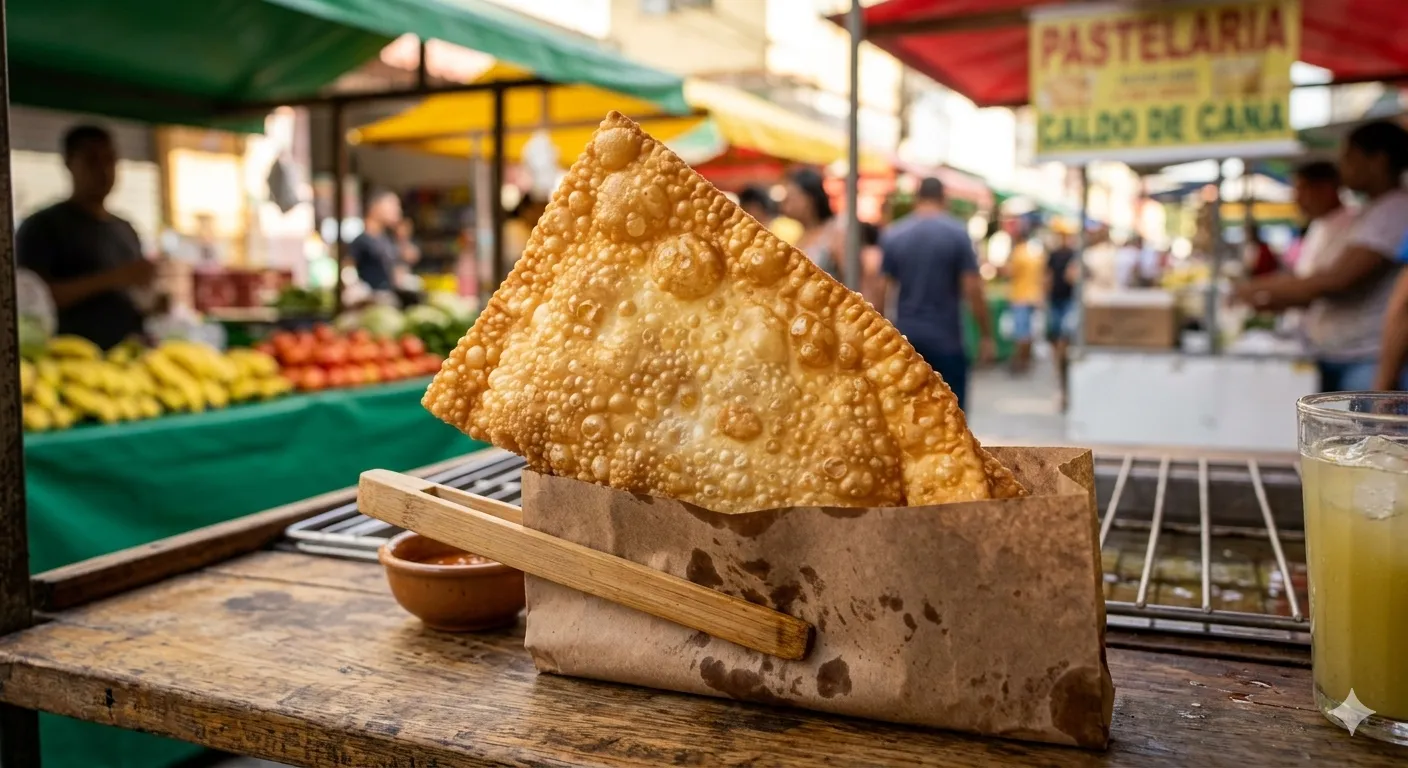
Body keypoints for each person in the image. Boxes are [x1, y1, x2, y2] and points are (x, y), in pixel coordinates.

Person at [1236, 122, 1408, 392]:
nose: (1343, 166)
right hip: (1346, 354)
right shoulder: (1372, 211)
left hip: (1366, 358)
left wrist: (1258, 288)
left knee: (1363, 432)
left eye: (1349, 157)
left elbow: (1337, 280)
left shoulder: (1394, 210)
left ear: (1378, 160)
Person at [17, 125, 156, 349]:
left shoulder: (125, 229)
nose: (103, 170)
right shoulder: (42, 227)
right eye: (92, 160)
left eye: (109, 159)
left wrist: (156, 303)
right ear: (69, 163)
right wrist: (114, 278)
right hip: (69, 358)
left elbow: (135, 296)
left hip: (128, 356)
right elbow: (31, 300)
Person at [876, 177, 995, 409]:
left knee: (911, 417)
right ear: (944, 198)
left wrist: (880, 340)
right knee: (953, 421)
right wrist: (986, 335)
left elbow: (881, 290)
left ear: (916, 199)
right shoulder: (958, 234)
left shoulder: (894, 235)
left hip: (907, 339)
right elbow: (973, 289)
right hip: (947, 340)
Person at [781, 168, 846, 284]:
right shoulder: (801, 235)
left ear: (809, 199)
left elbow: (852, 277)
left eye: (791, 197)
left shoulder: (835, 232)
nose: (785, 202)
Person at [1045, 225, 1080, 409]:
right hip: (1057, 301)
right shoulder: (1054, 254)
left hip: (1068, 302)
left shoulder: (1075, 254)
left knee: (1063, 340)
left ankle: (1062, 367)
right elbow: (1049, 277)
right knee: (1057, 338)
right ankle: (1059, 366)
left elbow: (1071, 278)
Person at [1004, 225, 1045, 374]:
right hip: (1033, 296)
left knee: (1021, 332)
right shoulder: (1034, 253)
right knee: (1028, 331)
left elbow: (1010, 272)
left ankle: (1020, 362)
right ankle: (1026, 360)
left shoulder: (1018, 253)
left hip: (1020, 296)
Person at [349, 189, 404, 293]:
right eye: (392, 205)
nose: (398, 210)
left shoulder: (387, 239)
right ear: (376, 207)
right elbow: (348, 272)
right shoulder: (361, 241)